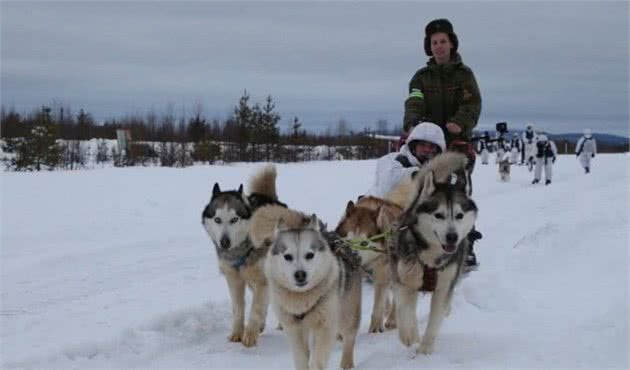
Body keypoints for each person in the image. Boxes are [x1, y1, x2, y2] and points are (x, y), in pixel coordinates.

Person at [402, 18, 482, 268]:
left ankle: (465, 243)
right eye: (434, 42)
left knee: (457, 193)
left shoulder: (464, 75)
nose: (438, 46)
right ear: (429, 46)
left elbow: (472, 104)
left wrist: (459, 122)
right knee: (415, 183)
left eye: (443, 41)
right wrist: (413, 123)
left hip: (456, 139)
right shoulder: (420, 77)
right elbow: (414, 100)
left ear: (451, 44)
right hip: (427, 139)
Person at [367, 122, 445, 198]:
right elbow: (387, 183)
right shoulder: (394, 159)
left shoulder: (439, 169)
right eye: (422, 145)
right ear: (414, 146)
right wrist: (415, 174)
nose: (427, 149)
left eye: (431, 146)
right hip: (375, 206)